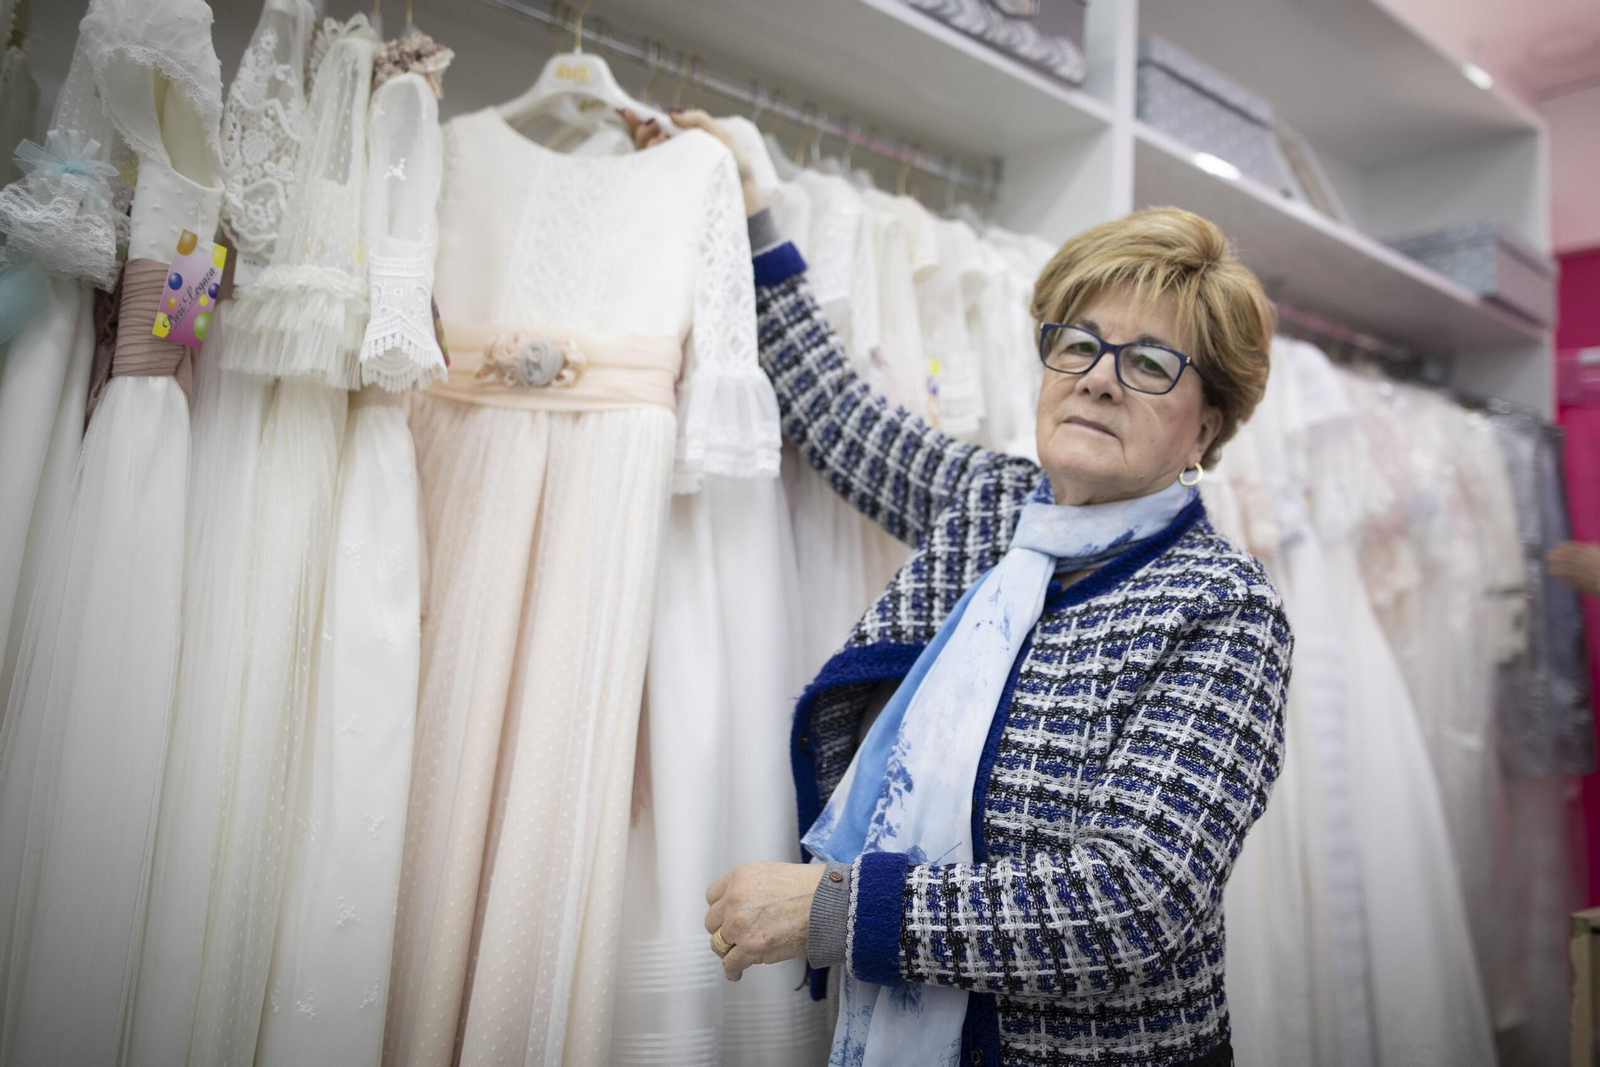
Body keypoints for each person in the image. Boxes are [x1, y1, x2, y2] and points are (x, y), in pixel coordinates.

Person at [626, 109, 1292, 1067]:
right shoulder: (993, 503)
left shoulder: (1223, 611)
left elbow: (1137, 900)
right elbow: (838, 415)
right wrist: (753, 210)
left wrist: (835, 908)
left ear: (1206, 429)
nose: (1100, 379)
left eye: (1149, 363)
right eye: (1079, 343)